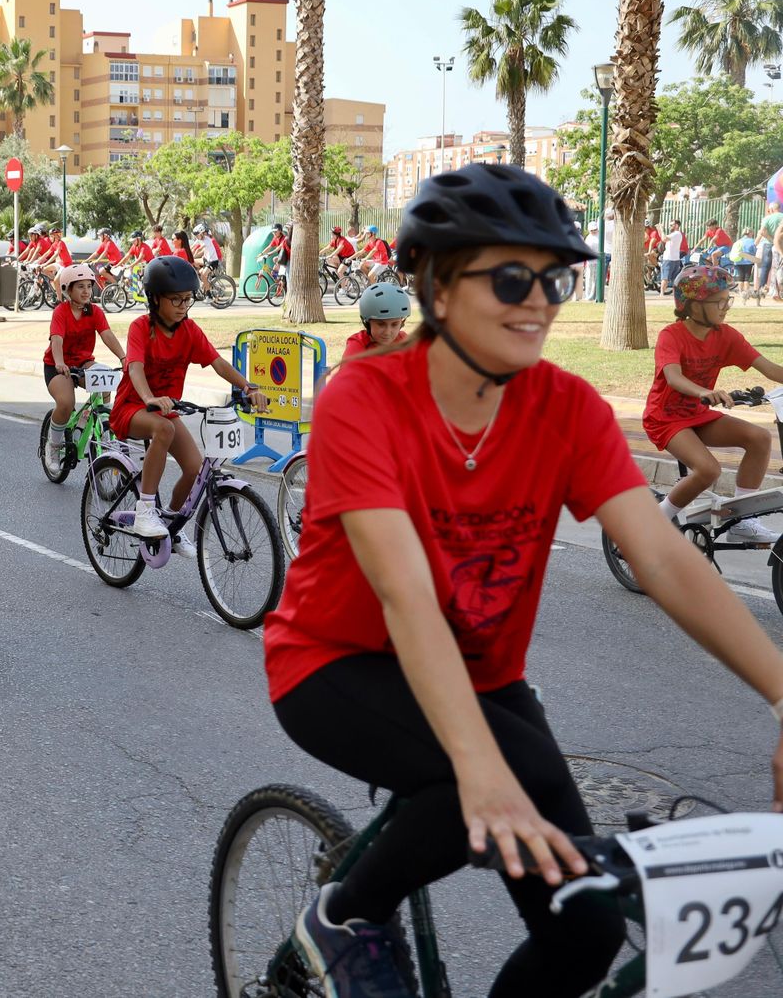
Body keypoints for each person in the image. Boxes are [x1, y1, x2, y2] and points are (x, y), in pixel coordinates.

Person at [263, 163, 783, 998]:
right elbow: (405, 595)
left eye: (556, 278)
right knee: (466, 784)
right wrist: (479, 767)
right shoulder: (364, 398)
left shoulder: (566, 407)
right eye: (511, 276)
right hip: (337, 663)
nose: (539, 300)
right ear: (435, 284)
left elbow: (662, 554)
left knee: (586, 927)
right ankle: (344, 915)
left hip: (488, 677)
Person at [109, 255, 268, 554]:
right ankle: (145, 512)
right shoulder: (141, 328)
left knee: (196, 469)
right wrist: (149, 399)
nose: (183, 306)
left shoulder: (189, 330)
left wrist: (247, 386)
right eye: (176, 300)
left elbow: (217, 362)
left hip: (166, 411)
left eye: (188, 299)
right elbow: (135, 368)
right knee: (164, 428)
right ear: (155, 299)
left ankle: (169, 522)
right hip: (132, 407)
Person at [643, 264, 783, 540]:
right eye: (719, 301)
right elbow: (673, 377)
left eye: (726, 300)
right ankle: (656, 520)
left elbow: (768, 368)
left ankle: (742, 521)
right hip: (665, 417)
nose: (725, 307)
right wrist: (703, 392)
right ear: (693, 305)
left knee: (759, 438)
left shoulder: (726, 336)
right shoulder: (671, 336)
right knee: (709, 470)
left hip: (698, 414)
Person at [43, 264, 126, 470]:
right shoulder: (61, 312)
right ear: (68, 289)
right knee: (65, 402)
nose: (86, 291)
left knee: (105, 379)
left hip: (82, 362)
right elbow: (57, 340)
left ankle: (99, 424)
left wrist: (124, 358)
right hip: (57, 364)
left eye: (89, 286)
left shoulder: (95, 311)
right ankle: (52, 446)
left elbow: (107, 335)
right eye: (80, 286)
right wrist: (60, 363)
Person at [343, 282, 411, 360]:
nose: (387, 332)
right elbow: (348, 370)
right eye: (381, 324)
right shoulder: (358, 344)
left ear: (401, 323)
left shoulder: (404, 341)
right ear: (367, 323)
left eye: (394, 324)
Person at [758, 201, 782, 300]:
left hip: (769, 244)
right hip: (781, 245)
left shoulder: (767, 218)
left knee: (765, 267)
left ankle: (761, 290)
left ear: (771, 209)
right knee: (779, 268)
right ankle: (778, 290)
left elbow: (762, 232)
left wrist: (771, 239)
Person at [659, 220, 686, 295]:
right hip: (675, 259)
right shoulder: (677, 234)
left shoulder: (676, 234)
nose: (670, 226)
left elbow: (664, 239)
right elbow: (663, 238)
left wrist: (661, 229)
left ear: (676, 226)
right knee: (674, 278)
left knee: (665, 278)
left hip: (669, 258)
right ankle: (675, 294)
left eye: (671, 225)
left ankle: (661, 294)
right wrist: (659, 229)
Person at [733, 227, 759, 300]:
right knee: (747, 278)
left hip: (738, 261)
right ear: (750, 233)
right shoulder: (752, 241)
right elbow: (755, 252)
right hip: (748, 261)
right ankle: (746, 293)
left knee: (740, 277)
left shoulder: (739, 241)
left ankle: (741, 293)